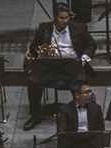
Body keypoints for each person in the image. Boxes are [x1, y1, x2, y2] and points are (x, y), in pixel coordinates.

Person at [24, 3, 96, 131]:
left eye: (67, 17)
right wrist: (40, 56)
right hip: (50, 67)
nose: (65, 20)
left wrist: (84, 59)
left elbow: (91, 45)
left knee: (80, 84)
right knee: (33, 81)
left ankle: (84, 116)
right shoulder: (44, 28)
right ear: (54, 17)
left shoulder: (79, 28)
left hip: (72, 66)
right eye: (62, 18)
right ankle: (35, 115)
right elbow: (33, 47)